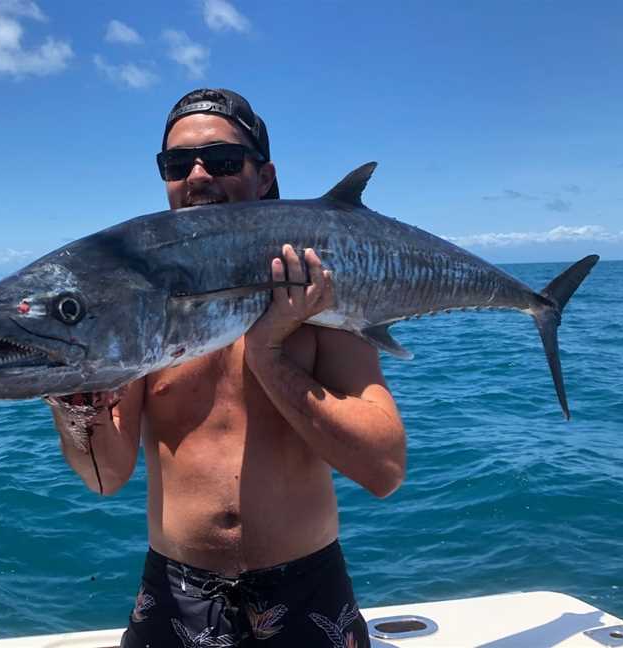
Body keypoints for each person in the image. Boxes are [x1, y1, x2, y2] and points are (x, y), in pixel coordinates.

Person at [48, 88, 406, 648]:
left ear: (264, 177)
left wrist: (267, 353)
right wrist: (71, 400)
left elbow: (384, 469)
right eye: (176, 164)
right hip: (172, 594)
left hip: (307, 591)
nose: (196, 176)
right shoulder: (138, 306)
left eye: (221, 160)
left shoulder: (320, 297)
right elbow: (105, 475)